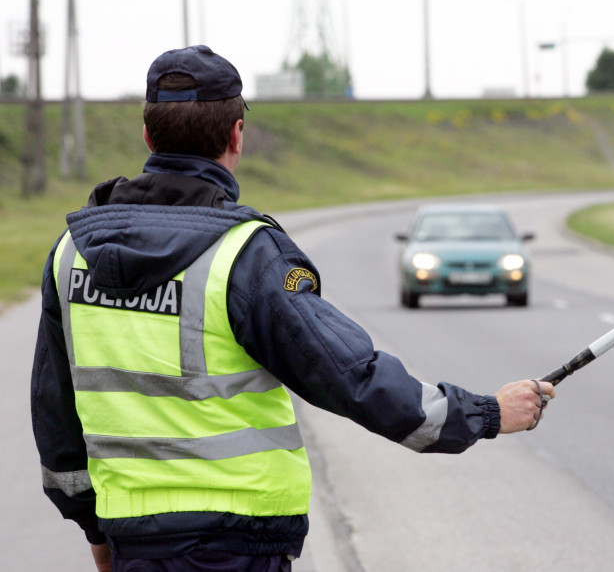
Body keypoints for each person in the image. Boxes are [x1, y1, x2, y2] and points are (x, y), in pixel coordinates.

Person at [30, 45, 556, 572]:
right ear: (237, 134)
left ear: (148, 137)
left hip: (132, 544)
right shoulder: (243, 254)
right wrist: (484, 413)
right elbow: (352, 376)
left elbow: (56, 420)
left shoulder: (70, 253)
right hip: (236, 545)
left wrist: (97, 533)